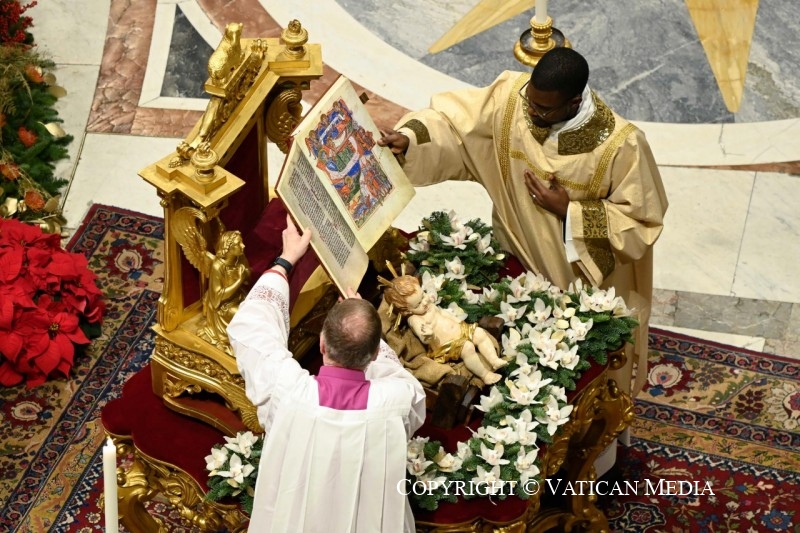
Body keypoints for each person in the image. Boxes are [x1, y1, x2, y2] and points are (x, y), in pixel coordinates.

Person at [378, 47, 668, 403]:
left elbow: (641, 221)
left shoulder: (621, 146)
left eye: (543, 109)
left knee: (580, 391)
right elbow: (454, 125)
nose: (531, 112)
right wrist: (410, 140)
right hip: (513, 257)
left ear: (574, 102)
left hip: (578, 283)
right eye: (530, 101)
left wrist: (570, 211)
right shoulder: (511, 100)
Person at [227, 215, 426, 533]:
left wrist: (285, 260)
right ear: (375, 354)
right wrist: (363, 323)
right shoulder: (397, 399)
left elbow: (253, 327)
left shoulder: (289, 390)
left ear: (321, 343)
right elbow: (402, 383)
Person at [382, 274, 507, 385]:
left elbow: (443, 314)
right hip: (446, 346)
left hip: (461, 331)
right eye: (418, 304)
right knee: (467, 347)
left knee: (479, 333)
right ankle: (485, 375)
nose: (425, 301)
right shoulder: (415, 319)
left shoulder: (429, 305)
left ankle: (494, 360)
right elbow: (423, 337)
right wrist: (428, 335)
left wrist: (458, 321)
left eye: (423, 295)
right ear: (407, 311)